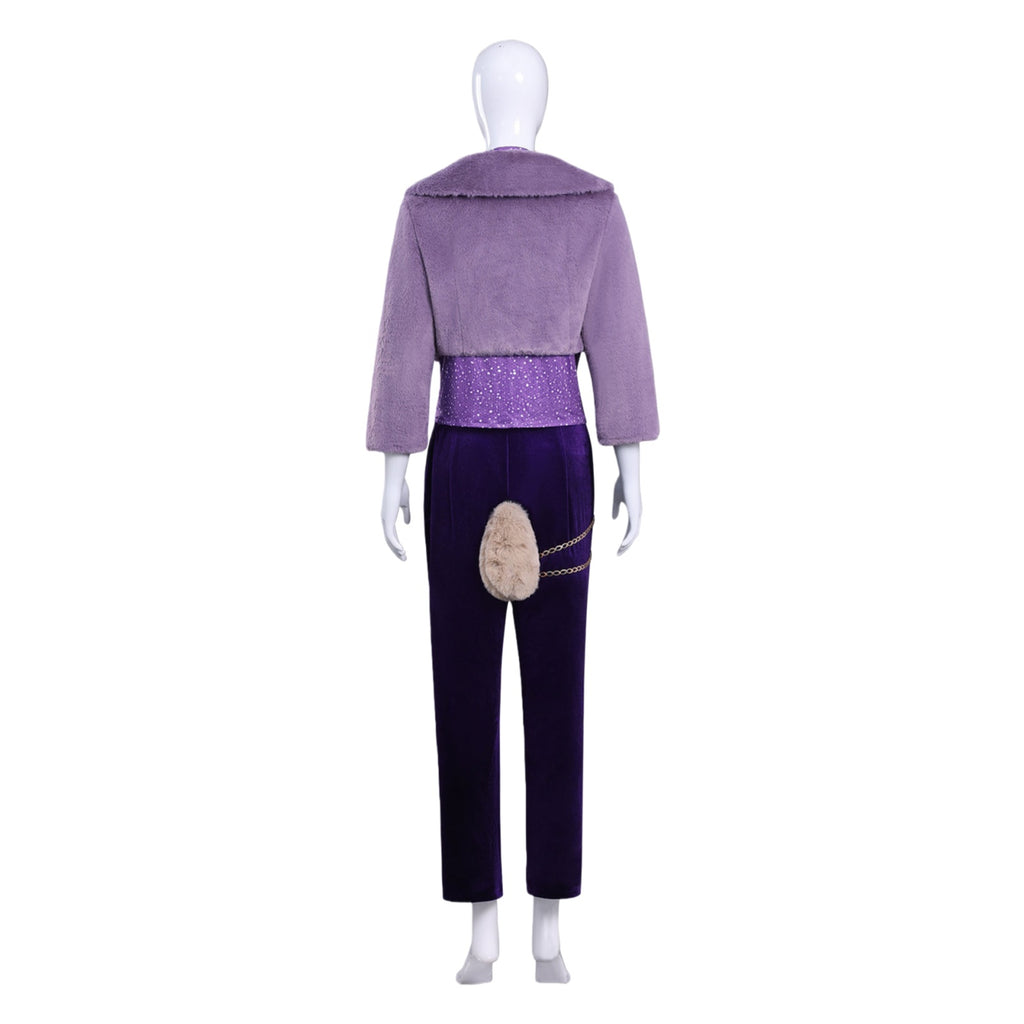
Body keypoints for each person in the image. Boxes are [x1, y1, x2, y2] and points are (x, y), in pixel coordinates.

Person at [366, 39, 659, 984]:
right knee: (540, 691)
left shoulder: (437, 204)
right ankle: (529, 928)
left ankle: (506, 927)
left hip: (459, 458)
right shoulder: (581, 203)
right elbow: (618, 343)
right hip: (556, 462)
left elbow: (408, 350)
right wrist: (628, 460)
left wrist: (396, 468)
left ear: (479, 99)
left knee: (479, 692)